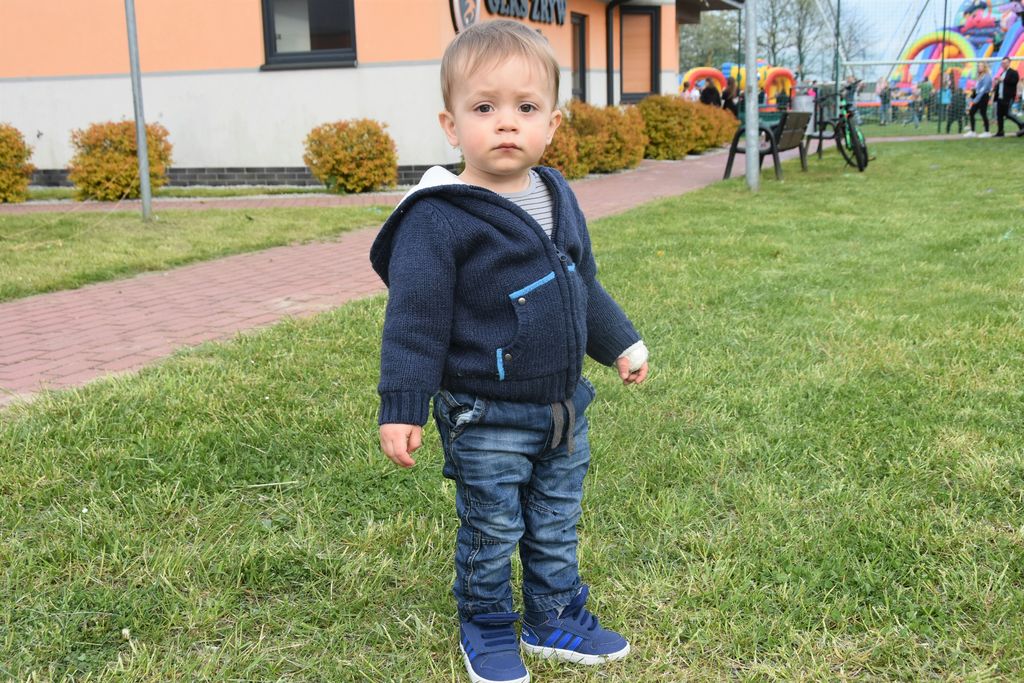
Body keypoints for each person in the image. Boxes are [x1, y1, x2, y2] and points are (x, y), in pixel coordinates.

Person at [370, 20, 649, 683]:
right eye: (483, 107)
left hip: (563, 409)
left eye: (525, 107)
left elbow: (581, 284)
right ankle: (488, 624)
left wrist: (620, 342)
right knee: (492, 528)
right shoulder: (439, 217)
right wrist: (403, 403)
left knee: (555, 520)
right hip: (484, 413)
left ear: (551, 124)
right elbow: (414, 320)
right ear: (450, 124)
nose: (505, 123)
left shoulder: (556, 194)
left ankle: (552, 617)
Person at [993, 56, 1023, 137]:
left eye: (1005, 63)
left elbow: (1014, 82)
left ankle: (1022, 124)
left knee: (1008, 113)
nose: (1003, 64)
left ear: (1009, 63)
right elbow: (1000, 86)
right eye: (1002, 63)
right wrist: (997, 83)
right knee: (999, 115)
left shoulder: (1013, 72)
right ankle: (1000, 132)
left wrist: (1003, 80)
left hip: (1008, 97)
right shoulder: (1002, 73)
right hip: (1000, 97)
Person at [965, 62, 993, 137]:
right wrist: (974, 90)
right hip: (978, 96)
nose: (979, 67)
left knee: (983, 113)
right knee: (971, 112)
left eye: (981, 66)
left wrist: (975, 100)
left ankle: (987, 132)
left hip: (983, 96)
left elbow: (983, 89)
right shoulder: (979, 76)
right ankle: (972, 131)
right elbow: (978, 88)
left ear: (984, 67)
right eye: (978, 66)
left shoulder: (987, 76)